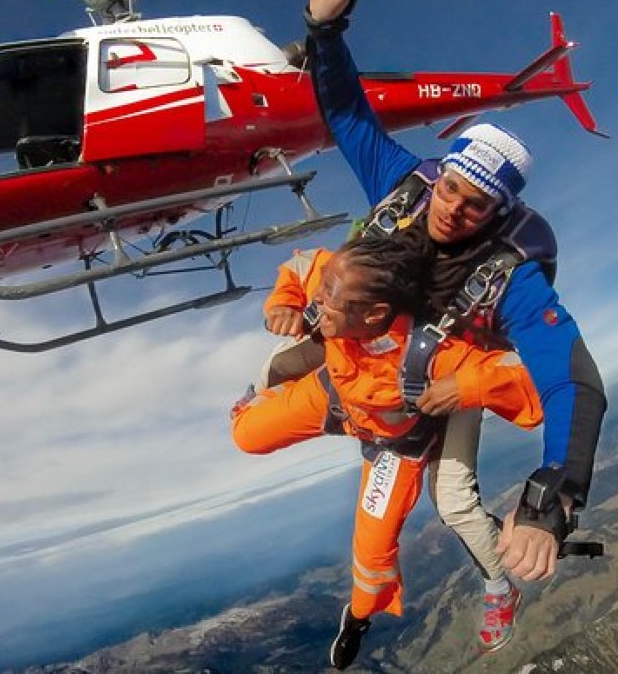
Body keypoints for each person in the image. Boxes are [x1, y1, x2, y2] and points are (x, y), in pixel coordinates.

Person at [303, 0, 606, 653]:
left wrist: (552, 497)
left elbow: (576, 380)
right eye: (452, 190)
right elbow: (346, 113)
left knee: (449, 498)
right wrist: (325, 28)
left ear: (499, 214)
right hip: (389, 365)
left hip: (452, 370)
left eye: (475, 206)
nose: (451, 210)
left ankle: (498, 588)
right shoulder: (406, 187)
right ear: (443, 173)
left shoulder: (512, 276)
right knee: (294, 359)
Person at [232, 232, 543, 671]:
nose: (317, 303)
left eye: (329, 300)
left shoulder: (437, 351)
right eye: (320, 296)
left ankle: (359, 617)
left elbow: (530, 377)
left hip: (396, 443)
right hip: (337, 395)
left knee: (374, 551)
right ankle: (271, 387)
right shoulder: (347, 279)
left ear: (375, 313)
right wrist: (281, 303)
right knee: (247, 434)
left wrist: (466, 387)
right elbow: (302, 266)